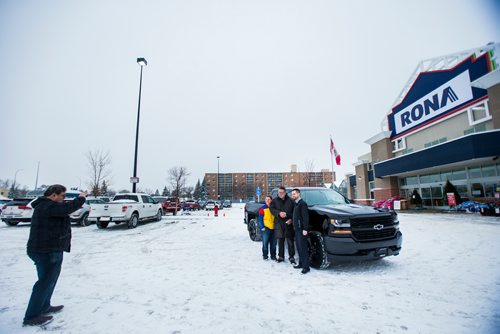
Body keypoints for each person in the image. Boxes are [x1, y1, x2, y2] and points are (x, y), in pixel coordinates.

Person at [23, 185, 88, 326]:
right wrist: (81, 198)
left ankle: (45, 305)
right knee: (44, 282)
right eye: (63, 196)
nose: (64, 199)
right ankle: (31, 316)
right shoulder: (46, 206)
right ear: (53, 195)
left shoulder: (49, 206)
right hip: (45, 251)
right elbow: (66, 209)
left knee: (50, 280)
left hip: (52, 249)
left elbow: (64, 210)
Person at [269, 187, 295, 264]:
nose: (280, 194)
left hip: (288, 223)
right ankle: (281, 257)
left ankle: (291, 257)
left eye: (282, 192)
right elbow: (271, 209)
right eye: (279, 192)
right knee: (280, 241)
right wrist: (279, 213)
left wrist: (291, 219)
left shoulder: (291, 201)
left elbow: (295, 212)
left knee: (290, 241)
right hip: (279, 223)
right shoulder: (274, 201)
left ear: (285, 192)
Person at [291, 188, 310, 274]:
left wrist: (305, 229)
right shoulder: (296, 203)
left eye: (294, 194)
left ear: (298, 194)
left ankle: (306, 267)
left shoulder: (302, 204)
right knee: (299, 247)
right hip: (297, 229)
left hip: (302, 229)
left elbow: (305, 217)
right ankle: (301, 264)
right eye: (292, 194)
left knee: (303, 248)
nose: (293, 195)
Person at [258, 195, 276, 260]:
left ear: (271, 200)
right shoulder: (262, 209)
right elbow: (260, 219)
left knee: (273, 244)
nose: (268, 201)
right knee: (265, 243)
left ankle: (273, 256)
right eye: (266, 199)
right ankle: (265, 256)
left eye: (269, 199)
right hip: (266, 228)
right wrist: (262, 227)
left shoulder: (274, 208)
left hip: (274, 228)